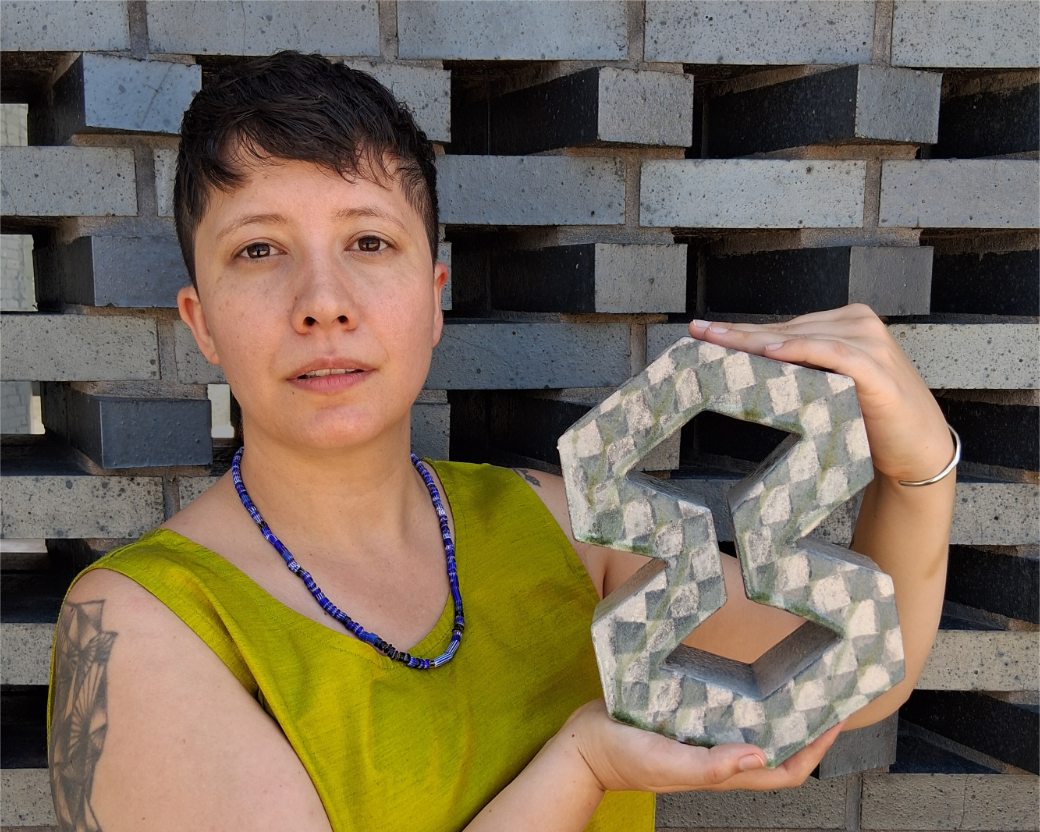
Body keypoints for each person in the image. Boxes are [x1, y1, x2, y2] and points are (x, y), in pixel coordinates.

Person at [47, 51, 956, 832]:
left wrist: (918, 469)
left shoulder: (559, 529)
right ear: (200, 324)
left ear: (434, 289)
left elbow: (857, 676)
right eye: (258, 250)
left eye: (369, 241)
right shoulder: (139, 627)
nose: (322, 300)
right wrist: (580, 768)